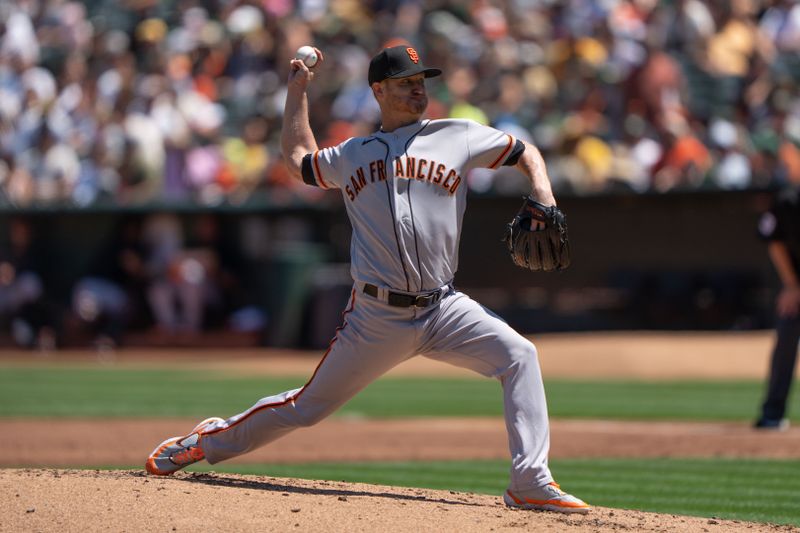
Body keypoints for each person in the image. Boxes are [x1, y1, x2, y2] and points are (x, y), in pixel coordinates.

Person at [145, 44, 590, 514]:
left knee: (519, 354)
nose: (418, 88)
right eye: (405, 82)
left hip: (443, 307)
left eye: (421, 80)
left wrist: (544, 194)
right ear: (378, 90)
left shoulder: (457, 135)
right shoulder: (353, 154)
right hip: (376, 317)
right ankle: (204, 442)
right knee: (306, 407)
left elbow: (526, 152)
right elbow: (299, 157)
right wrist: (297, 92)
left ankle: (530, 481)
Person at [754, 185, 800, 430]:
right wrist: (792, 285)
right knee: (786, 335)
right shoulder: (788, 201)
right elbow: (775, 242)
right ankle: (773, 412)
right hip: (797, 286)